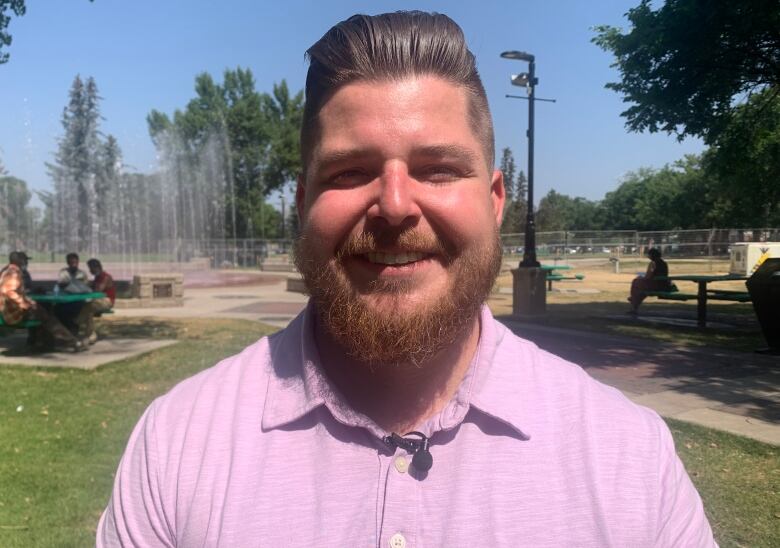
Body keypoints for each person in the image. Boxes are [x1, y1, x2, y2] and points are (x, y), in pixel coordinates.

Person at [98, 12, 716, 547]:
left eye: (439, 168)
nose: (394, 205)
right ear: (303, 203)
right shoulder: (176, 444)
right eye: (350, 172)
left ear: (495, 200)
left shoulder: (628, 456)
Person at [0, 251, 86, 351]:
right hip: (13, 314)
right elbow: (9, 292)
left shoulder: (6, 271)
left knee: (42, 310)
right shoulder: (14, 272)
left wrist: (29, 301)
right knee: (47, 316)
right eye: (24, 260)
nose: (25, 263)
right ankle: (71, 341)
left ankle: (42, 341)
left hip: (8, 311)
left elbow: (16, 292)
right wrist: (25, 304)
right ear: (18, 261)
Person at [629, 247, 674, 314]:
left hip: (655, 286)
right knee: (640, 291)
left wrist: (640, 278)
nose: (648, 256)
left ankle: (633, 299)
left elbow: (648, 276)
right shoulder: (664, 263)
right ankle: (634, 305)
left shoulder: (653, 263)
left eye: (649, 254)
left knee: (635, 282)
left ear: (652, 255)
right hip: (663, 285)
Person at [80, 258, 115, 344]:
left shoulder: (106, 277)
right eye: (89, 268)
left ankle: (90, 333)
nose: (90, 270)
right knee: (85, 306)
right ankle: (87, 332)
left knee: (88, 307)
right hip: (97, 300)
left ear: (98, 267)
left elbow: (98, 290)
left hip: (107, 301)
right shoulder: (97, 277)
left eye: (91, 268)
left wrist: (89, 286)